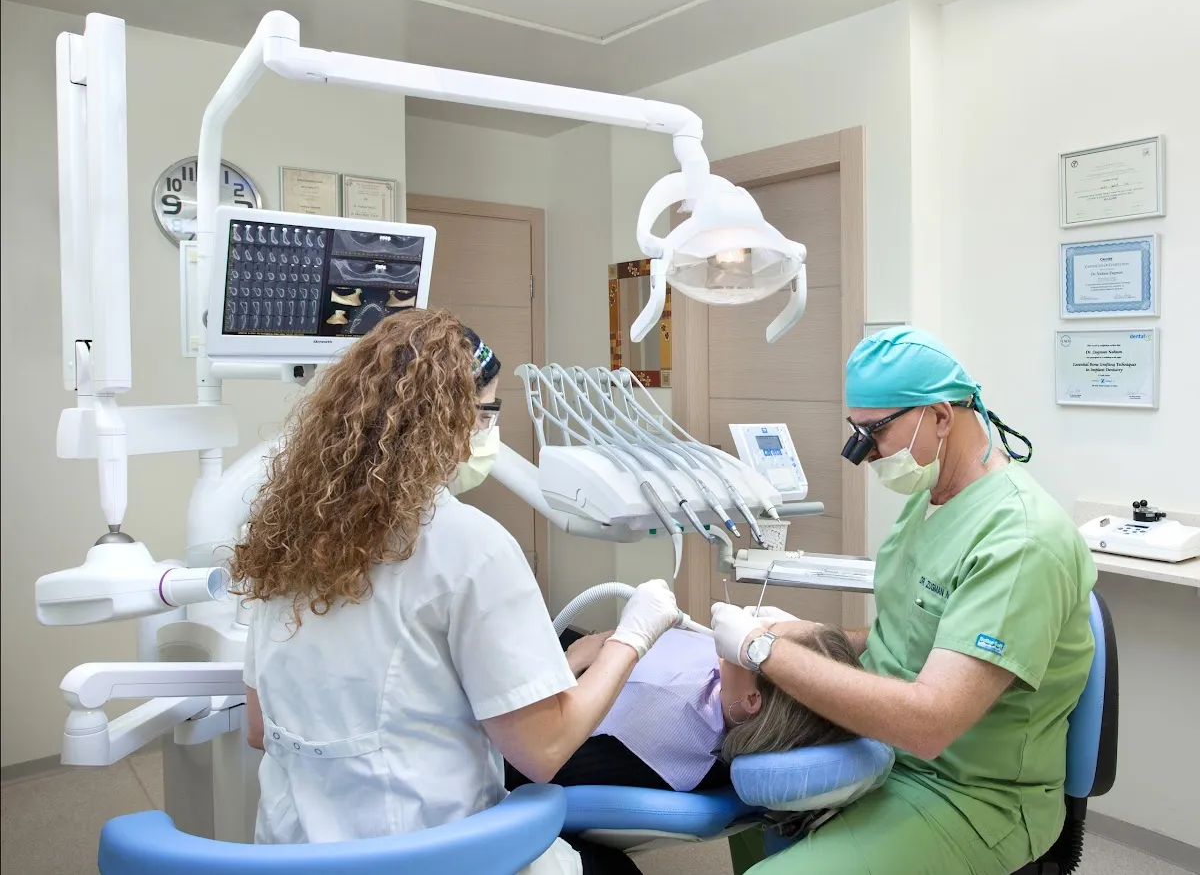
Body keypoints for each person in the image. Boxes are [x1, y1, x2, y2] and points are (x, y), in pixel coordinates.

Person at [232, 309, 683, 875]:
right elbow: (544, 751)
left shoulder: (289, 537)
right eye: (488, 413)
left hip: (294, 857)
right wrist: (633, 638)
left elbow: (261, 727)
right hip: (429, 856)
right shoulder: (472, 545)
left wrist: (562, 667)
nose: (489, 432)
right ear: (452, 419)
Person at [710, 326, 1097, 875]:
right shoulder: (932, 497)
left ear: (940, 417)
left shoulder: (1021, 540)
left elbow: (930, 723)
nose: (863, 453)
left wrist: (763, 651)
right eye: (856, 431)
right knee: (740, 794)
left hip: (967, 793)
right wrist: (814, 636)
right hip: (881, 748)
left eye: (876, 432)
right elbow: (912, 631)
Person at [505, 625, 862, 797]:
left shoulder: (661, 746)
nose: (746, 629)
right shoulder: (734, 681)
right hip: (575, 660)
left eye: (757, 640)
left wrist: (569, 664)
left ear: (753, 700)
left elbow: (528, 759)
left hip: (537, 704)